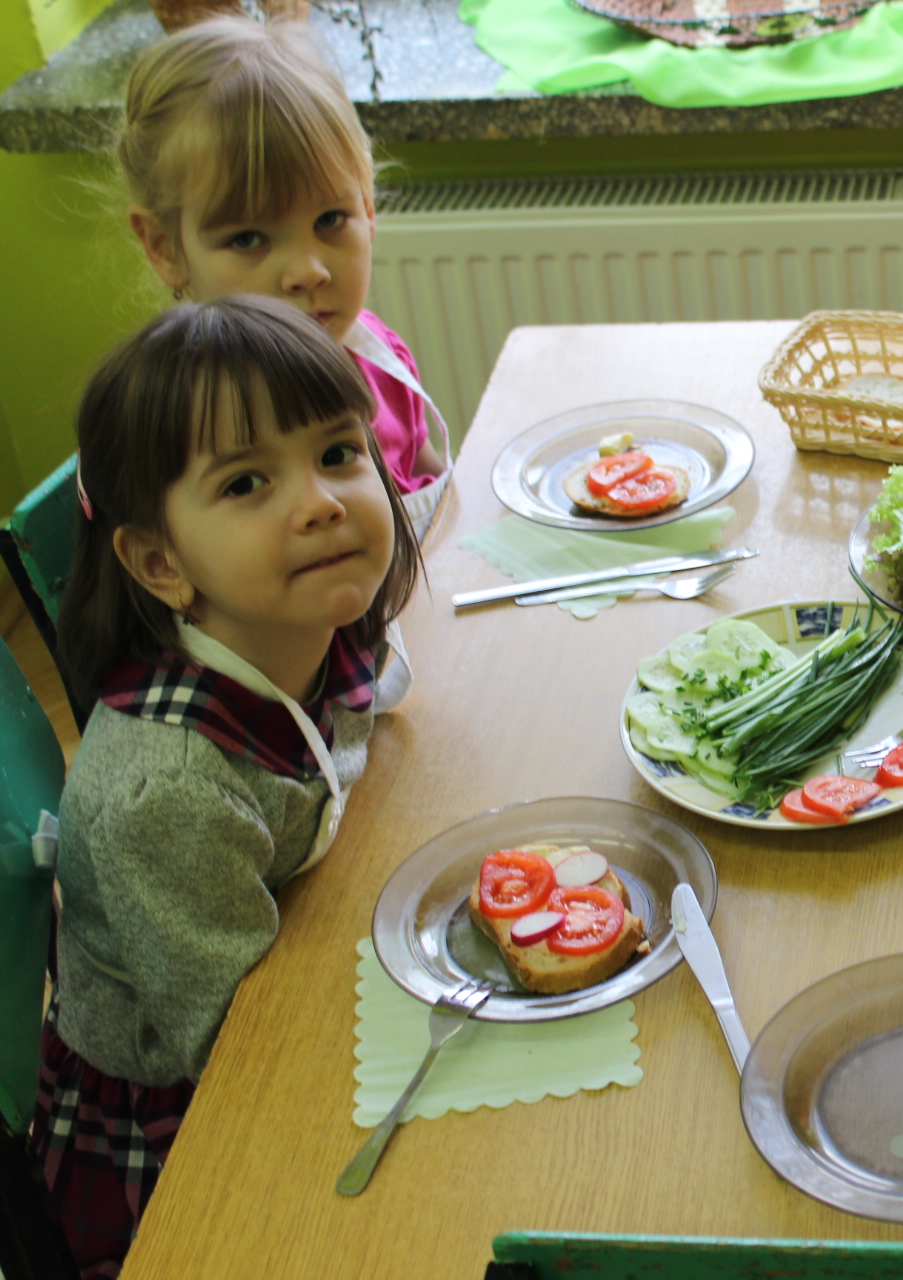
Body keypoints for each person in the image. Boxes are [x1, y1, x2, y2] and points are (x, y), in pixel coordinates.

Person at [30, 297, 422, 1277]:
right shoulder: (165, 794)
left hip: (297, 948)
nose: (322, 502)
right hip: (187, 1127)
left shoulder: (301, 618)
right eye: (247, 482)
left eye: (339, 452)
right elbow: (245, 1058)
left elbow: (369, 725)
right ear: (161, 563)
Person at [116, 15, 450, 538]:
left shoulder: (378, 353)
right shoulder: (199, 436)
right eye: (248, 239)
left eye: (330, 219)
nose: (308, 271)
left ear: (367, 208)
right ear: (165, 247)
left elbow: (433, 476)